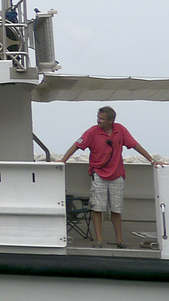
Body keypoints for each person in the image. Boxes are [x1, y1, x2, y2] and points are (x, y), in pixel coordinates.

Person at [60, 106, 160, 248]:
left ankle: (119, 240)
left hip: (117, 175)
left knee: (116, 209)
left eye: (102, 118)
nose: (98, 120)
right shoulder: (92, 132)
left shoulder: (121, 130)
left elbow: (135, 145)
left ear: (111, 120)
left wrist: (152, 160)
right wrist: (63, 161)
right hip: (98, 174)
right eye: (98, 117)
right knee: (97, 208)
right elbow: (76, 145)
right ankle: (99, 240)